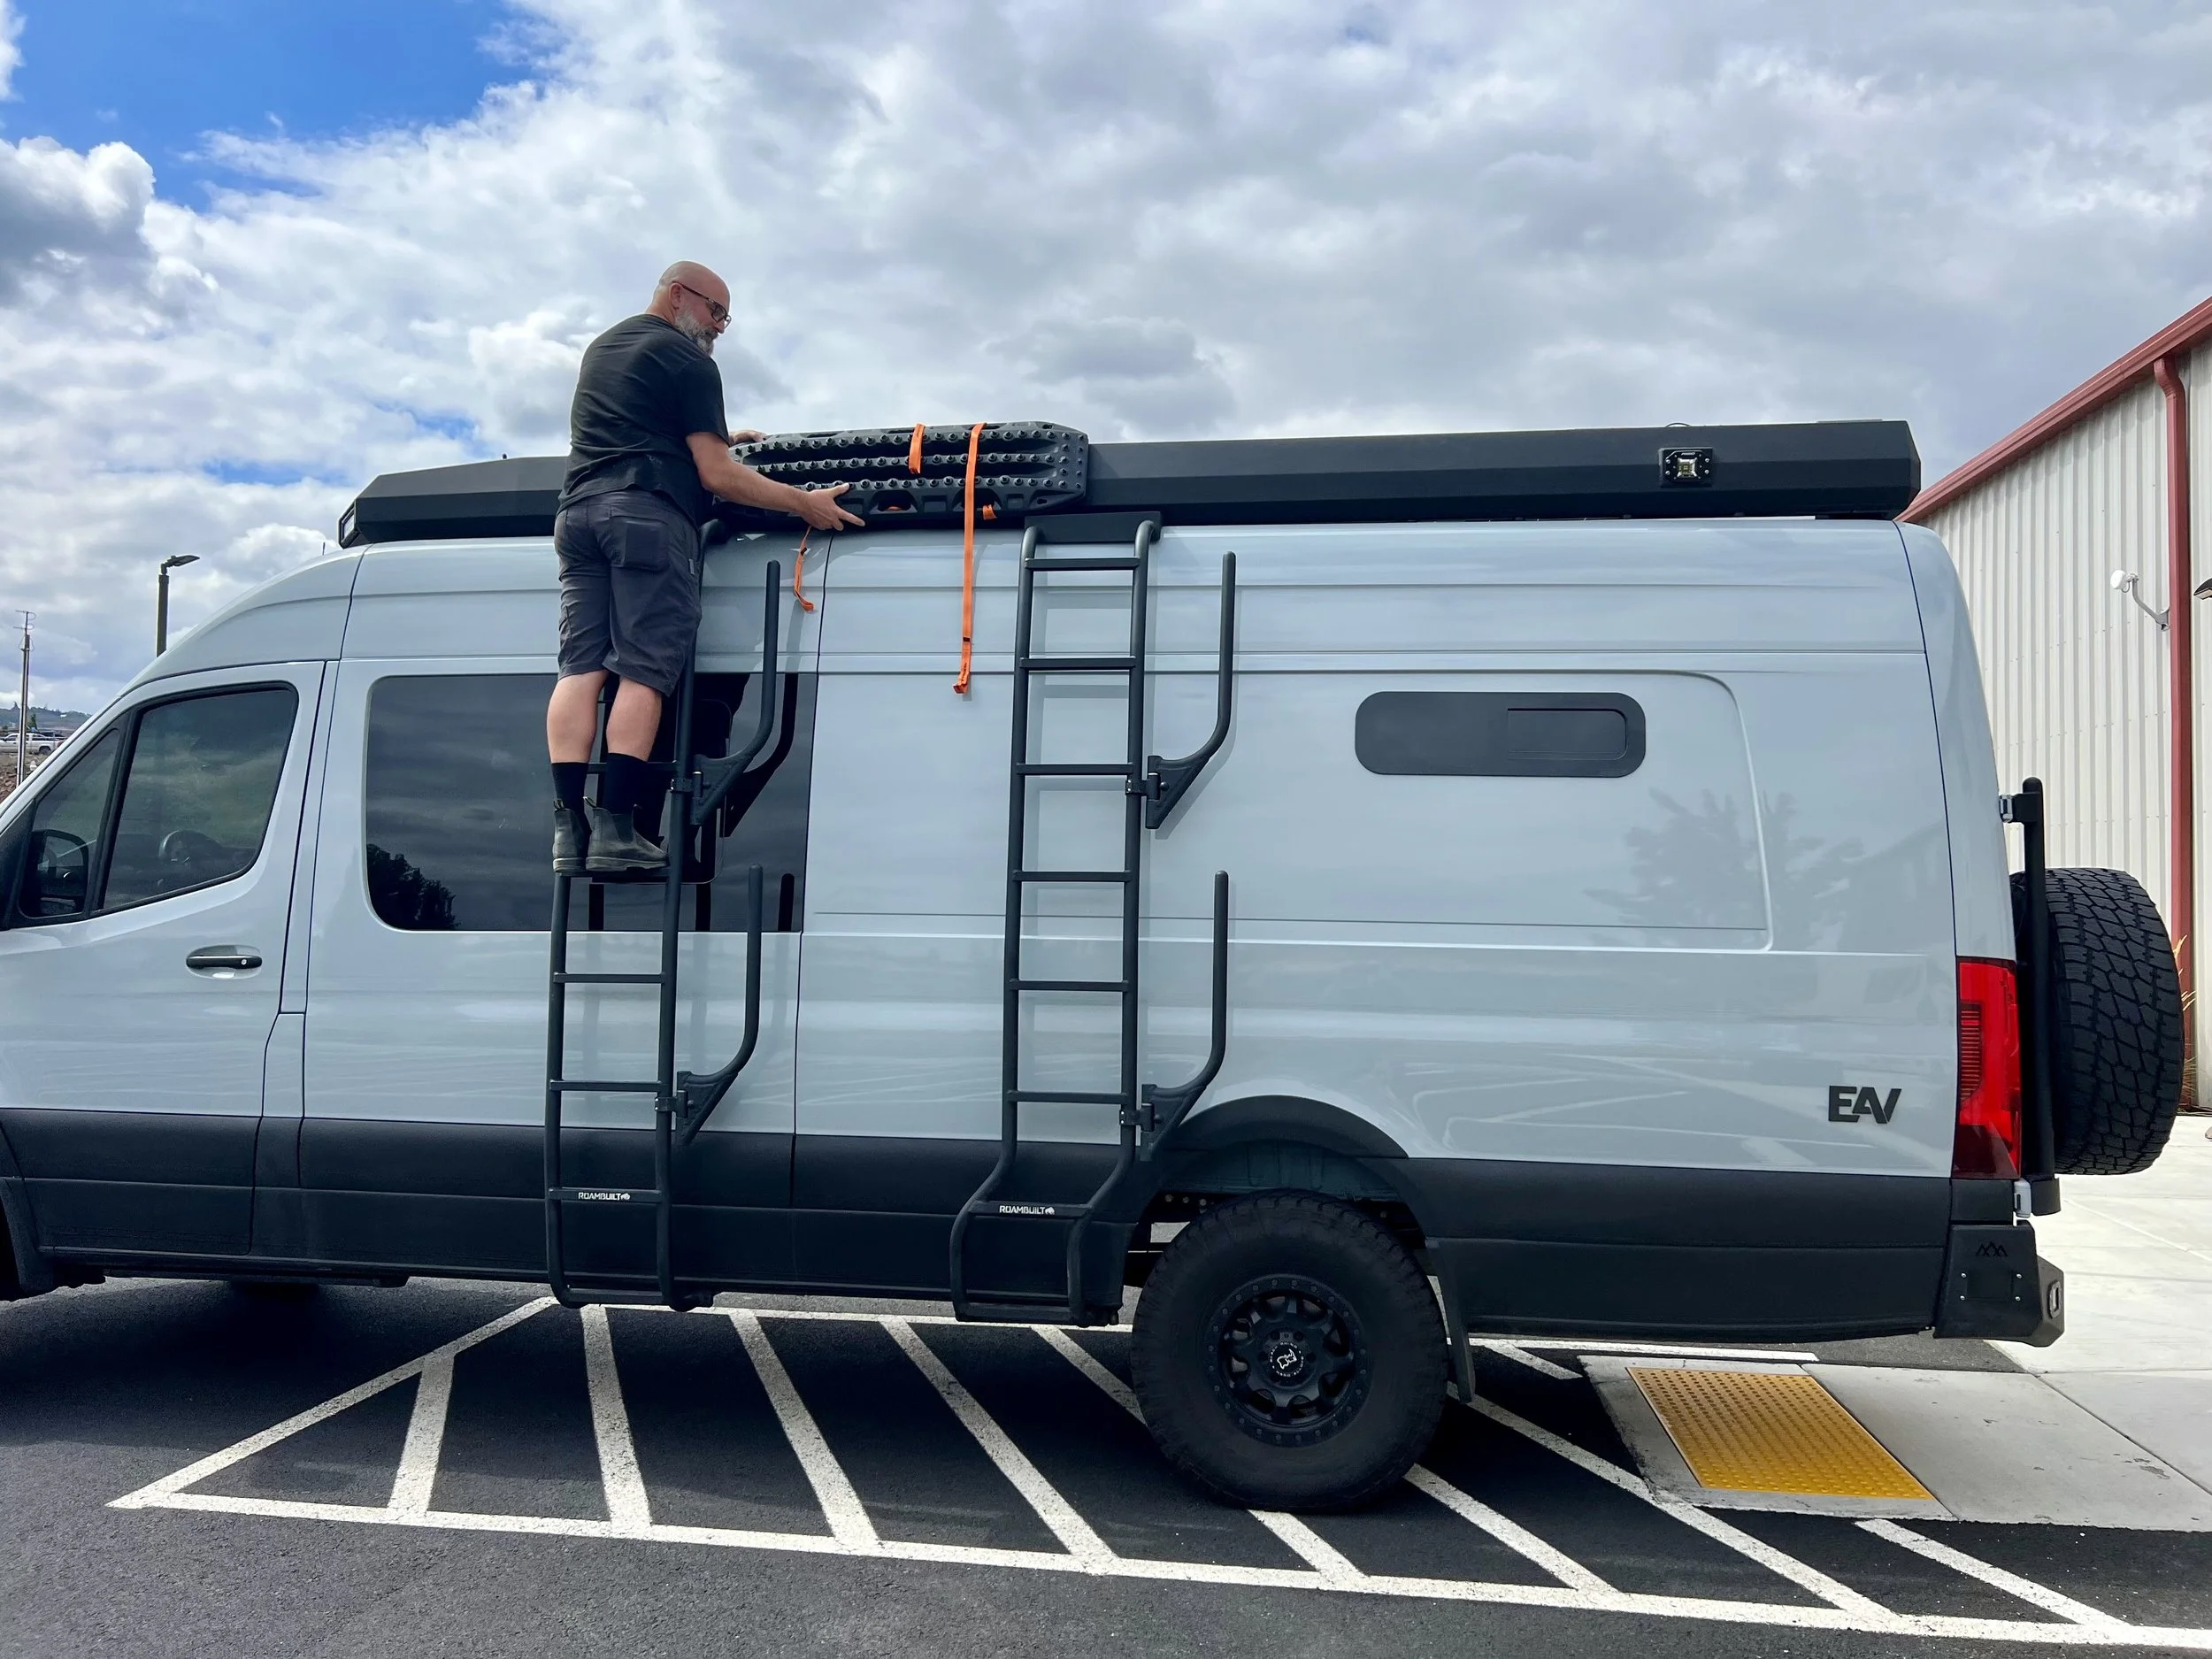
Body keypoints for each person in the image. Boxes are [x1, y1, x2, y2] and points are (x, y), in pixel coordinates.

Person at [547, 260, 861, 873]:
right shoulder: (691, 363)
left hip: (576, 516)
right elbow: (717, 476)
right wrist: (807, 504)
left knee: (580, 669)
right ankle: (616, 830)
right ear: (676, 293)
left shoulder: (603, 348)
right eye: (715, 311)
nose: (719, 327)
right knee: (644, 668)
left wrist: (720, 433)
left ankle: (567, 829)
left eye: (725, 318)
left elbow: (643, 430)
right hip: (644, 517)